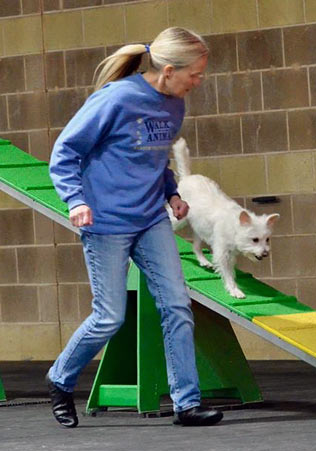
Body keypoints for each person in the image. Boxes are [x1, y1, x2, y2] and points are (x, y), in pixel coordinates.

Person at [46, 27, 223, 428]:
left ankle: (186, 403)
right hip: (106, 222)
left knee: (177, 305)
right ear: (166, 70)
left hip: (150, 220)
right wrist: (75, 200)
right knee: (109, 317)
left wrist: (172, 193)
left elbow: (154, 159)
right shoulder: (116, 98)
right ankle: (59, 379)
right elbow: (66, 151)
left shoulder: (175, 105)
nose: (198, 82)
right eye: (193, 74)